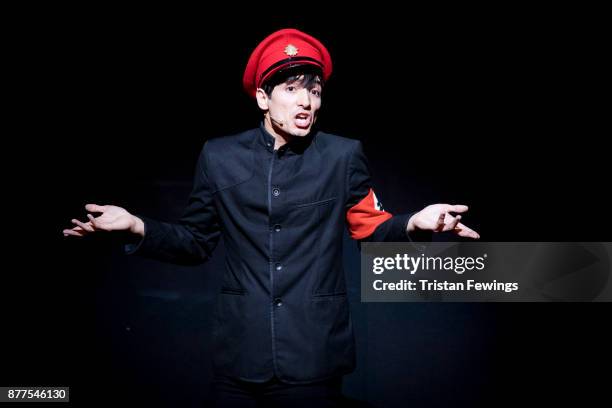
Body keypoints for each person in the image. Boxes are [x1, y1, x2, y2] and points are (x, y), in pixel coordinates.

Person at [63, 28, 479, 407]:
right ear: (263, 97)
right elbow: (195, 241)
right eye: (293, 89)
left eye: (315, 91)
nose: (307, 101)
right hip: (241, 354)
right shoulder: (219, 156)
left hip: (315, 353)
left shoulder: (341, 155)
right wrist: (137, 226)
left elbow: (368, 226)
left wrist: (413, 223)